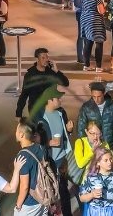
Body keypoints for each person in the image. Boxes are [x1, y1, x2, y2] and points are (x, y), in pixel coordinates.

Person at [36, 86, 75, 216]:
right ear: (50, 100)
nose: (60, 100)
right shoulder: (40, 118)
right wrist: (48, 142)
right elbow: (34, 140)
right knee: (50, 191)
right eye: (58, 98)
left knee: (64, 191)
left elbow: (64, 138)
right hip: (49, 161)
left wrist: (69, 131)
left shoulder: (60, 113)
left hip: (61, 159)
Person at [15, 48, 70, 121]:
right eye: (43, 58)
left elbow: (66, 83)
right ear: (37, 59)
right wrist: (18, 113)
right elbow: (24, 95)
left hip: (50, 105)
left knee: (62, 115)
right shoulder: (30, 75)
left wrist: (57, 71)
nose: (46, 60)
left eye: (47, 57)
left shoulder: (51, 72)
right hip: (36, 107)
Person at [79, 146, 113, 216]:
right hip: (96, 212)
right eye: (106, 160)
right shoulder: (91, 177)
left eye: (110, 159)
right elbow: (82, 198)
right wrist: (92, 195)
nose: (109, 162)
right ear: (98, 162)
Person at [76, 82, 113, 152]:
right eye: (93, 96)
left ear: (104, 93)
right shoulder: (86, 107)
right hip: (92, 146)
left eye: (99, 96)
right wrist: (83, 148)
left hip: (110, 146)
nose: (96, 99)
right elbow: (80, 129)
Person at [14, 120, 49, 216]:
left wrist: (18, 205)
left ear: (21, 135)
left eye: (16, 130)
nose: (15, 132)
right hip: (43, 198)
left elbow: (24, 187)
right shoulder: (42, 148)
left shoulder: (23, 156)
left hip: (30, 203)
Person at [81, 0, 107, 72]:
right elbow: (101, 11)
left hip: (85, 20)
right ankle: (98, 67)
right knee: (99, 43)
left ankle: (86, 65)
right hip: (95, 22)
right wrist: (105, 6)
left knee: (88, 43)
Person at [73, 0, 90, 64]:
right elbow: (77, 3)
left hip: (80, 14)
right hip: (83, 13)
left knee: (84, 35)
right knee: (83, 35)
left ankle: (84, 55)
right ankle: (81, 56)